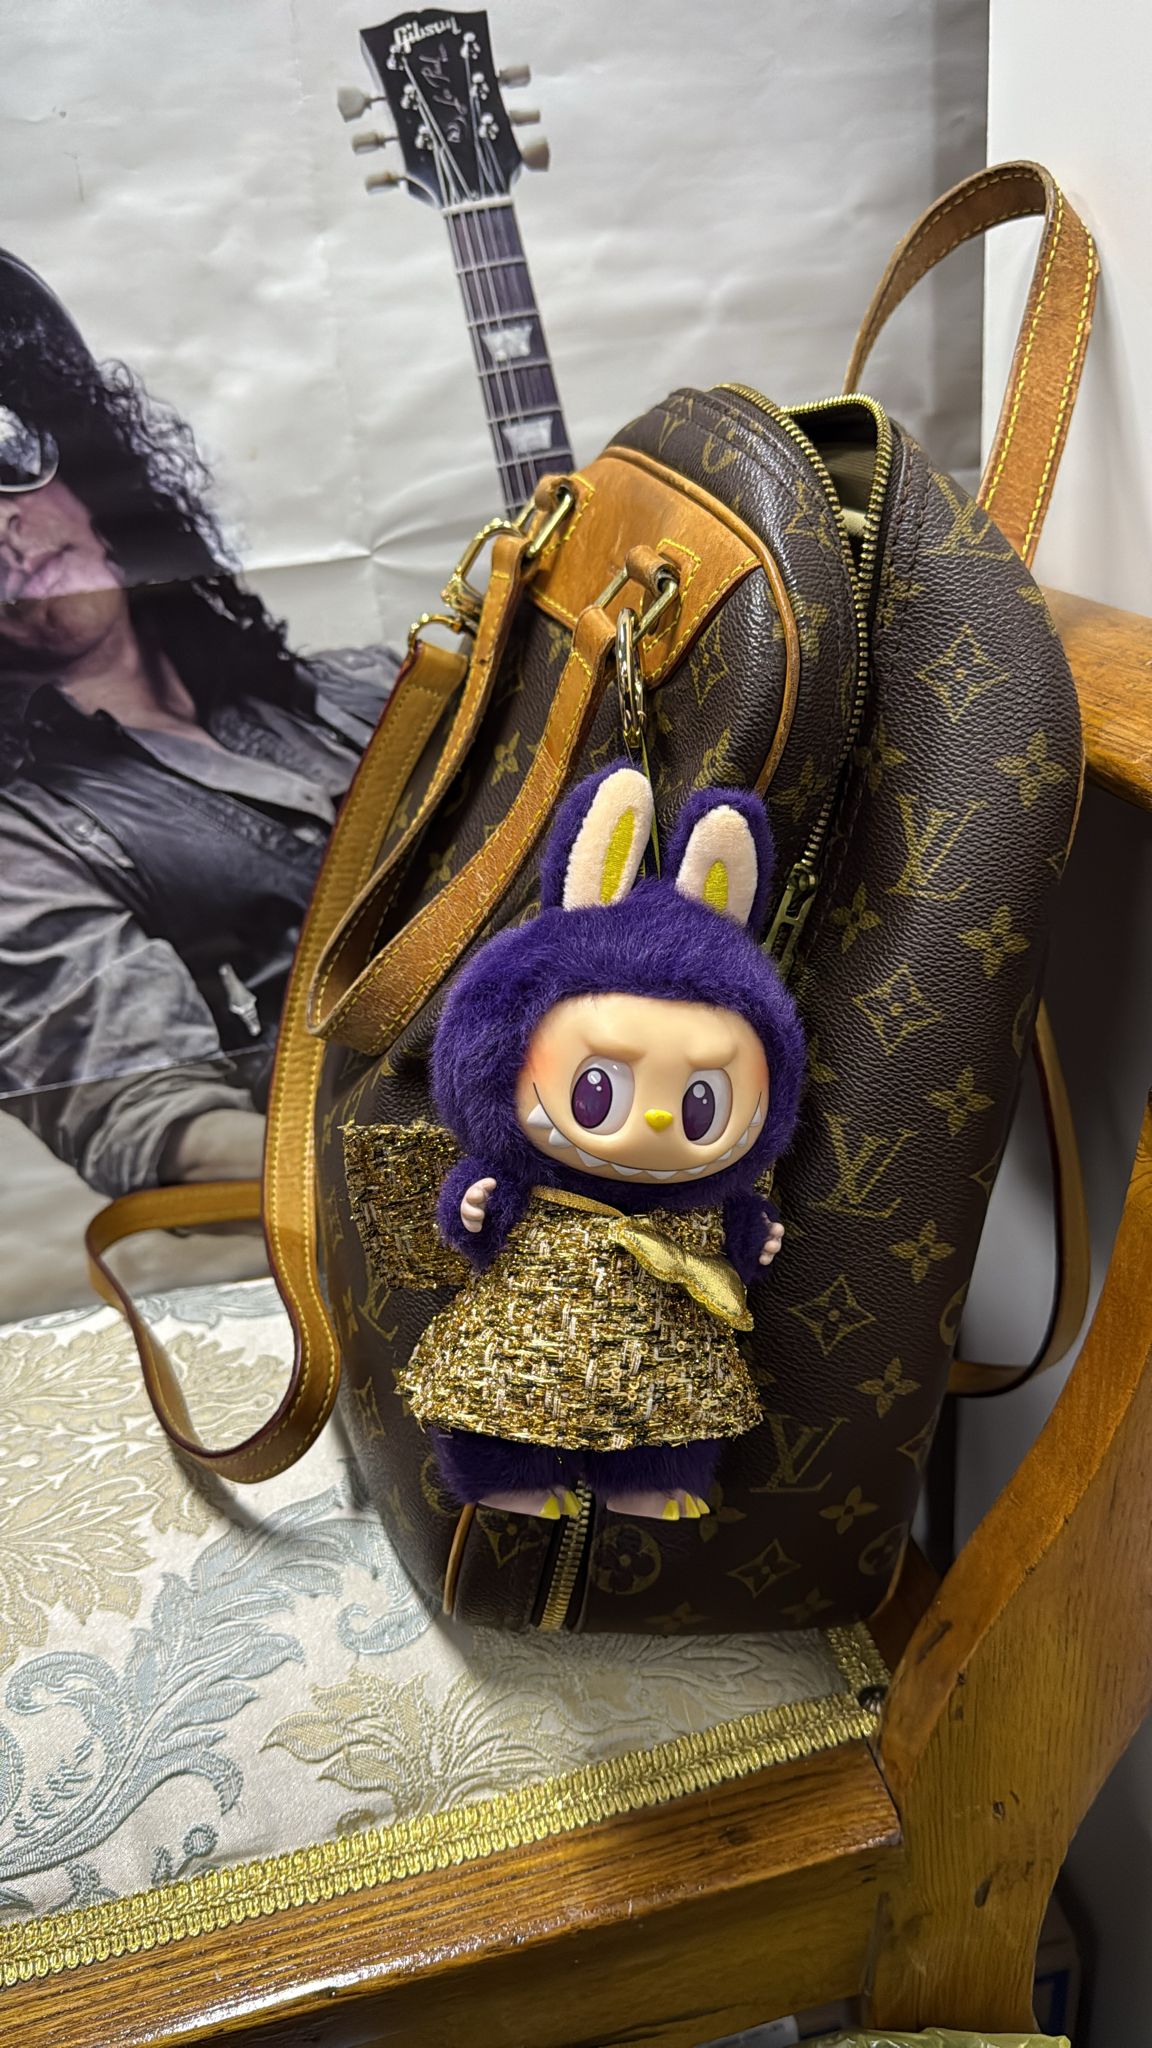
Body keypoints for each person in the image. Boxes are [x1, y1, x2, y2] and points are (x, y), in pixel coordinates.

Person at [0, 250, 397, 1196]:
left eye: (3, 454)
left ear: (83, 469)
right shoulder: (20, 851)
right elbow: (157, 1121)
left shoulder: (370, 684)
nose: (4, 531)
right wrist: (414, 1182)